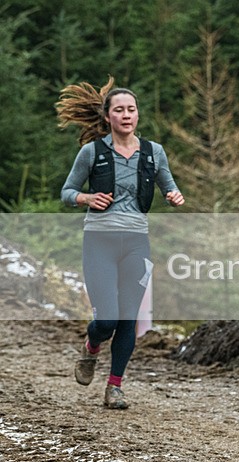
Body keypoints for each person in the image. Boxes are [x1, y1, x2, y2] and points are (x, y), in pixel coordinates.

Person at [58, 77, 184, 409]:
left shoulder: (154, 151)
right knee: (108, 320)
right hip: (99, 241)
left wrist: (173, 195)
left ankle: (115, 386)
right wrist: (85, 197)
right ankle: (92, 345)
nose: (126, 115)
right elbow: (67, 192)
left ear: (137, 114)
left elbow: (169, 185)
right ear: (108, 116)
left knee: (128, 317)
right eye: (119, 110)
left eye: (131, 109)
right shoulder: (93, 152)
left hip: (136, 242)